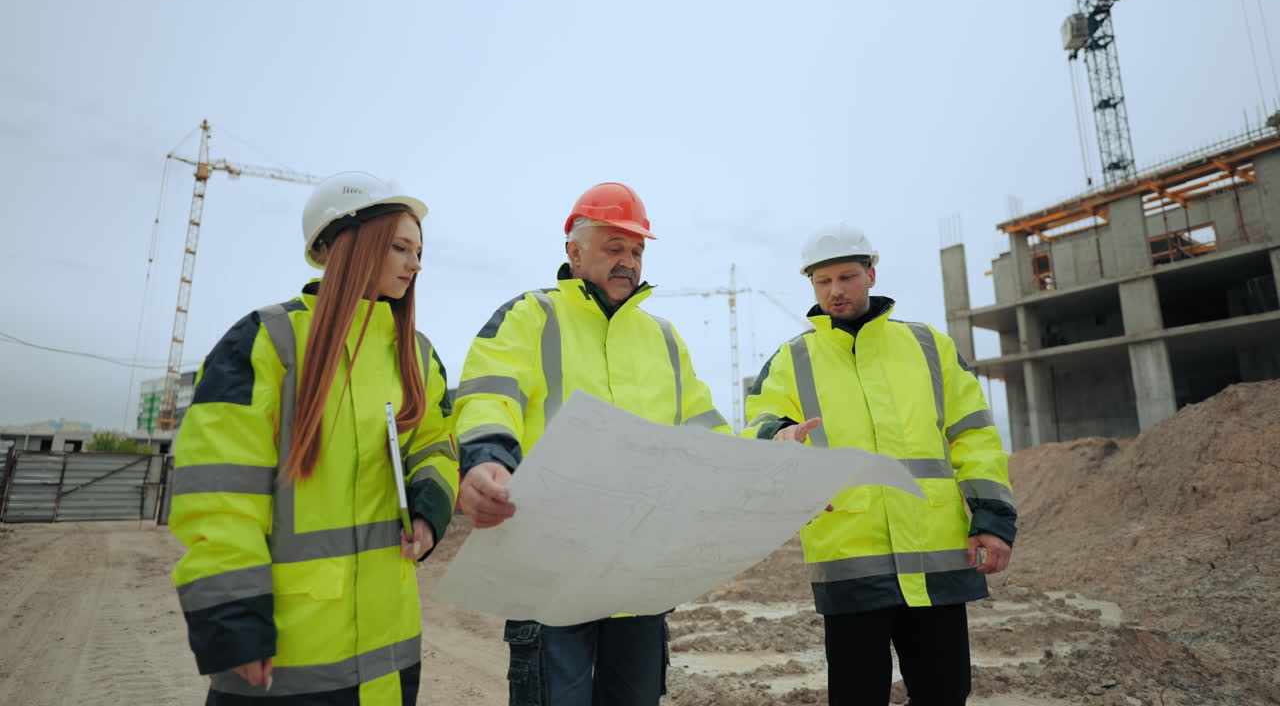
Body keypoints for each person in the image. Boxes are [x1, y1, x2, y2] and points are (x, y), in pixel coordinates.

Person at [169, 172, 459, 705]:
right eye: (400, 246)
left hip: (387, 658)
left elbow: (436, 446)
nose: (415, 264)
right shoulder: (265, 341)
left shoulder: (416, 354)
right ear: (343, 244)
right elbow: (218, 497)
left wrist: (428, 509)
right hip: (284, 656)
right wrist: (232, 623)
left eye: (419, 251)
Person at [453, 182, 731, 706]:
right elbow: (489, 397)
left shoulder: (664, 339)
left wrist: (774, 472)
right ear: (574, 251)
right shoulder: (529, 317)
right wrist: (487, 461)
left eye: (637, 250)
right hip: (552, 578)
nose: (628, 260)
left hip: (639, 581)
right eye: (614, 247)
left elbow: (707, 433)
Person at [743, 223, 1017, 706]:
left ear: (871, 273)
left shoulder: (928, 346)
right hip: (849, 558)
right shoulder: (792, 359)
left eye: (846, 277)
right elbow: (759, 423)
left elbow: (973, 435)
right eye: (822, 281)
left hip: (937, 555)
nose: (835, 291)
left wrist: (993, 521)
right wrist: (776, 434)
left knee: (945, 694)